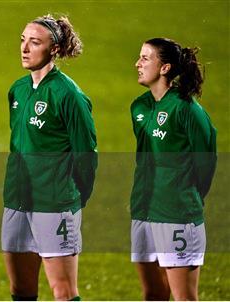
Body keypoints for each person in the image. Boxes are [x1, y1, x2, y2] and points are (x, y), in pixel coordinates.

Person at [2, 14, 98, 301]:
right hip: (17, 200)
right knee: (20, 290)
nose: (25, 48)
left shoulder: (69, 95)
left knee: (63, 291)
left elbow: (86, 156)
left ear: (54, 49)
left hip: (54, 203)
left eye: (35, 42)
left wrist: (73, 199)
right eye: (23, 40)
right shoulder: (17, 89)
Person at [130, 38, 217, 300]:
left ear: (165, 67)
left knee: (184, 297)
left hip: (177, 215)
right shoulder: (140, 107)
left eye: (145, 58)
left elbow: (205, 164)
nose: (138, 63)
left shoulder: (187, 110)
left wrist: (184, 196)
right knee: (153, 294)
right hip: (143, 211)